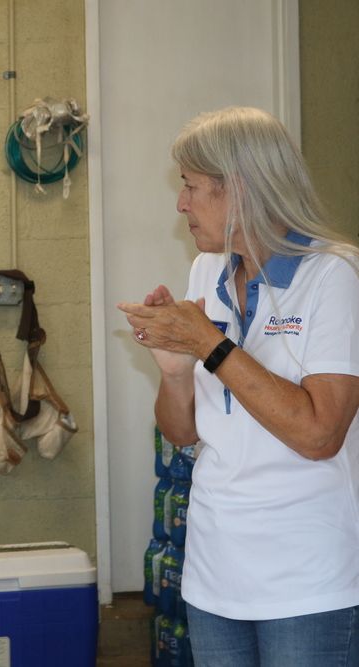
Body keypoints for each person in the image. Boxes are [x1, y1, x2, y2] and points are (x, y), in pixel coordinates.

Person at [118, 107, 359, 667]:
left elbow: (320, 434)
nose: (180, 204)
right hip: (214, 576)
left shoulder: (336, 275)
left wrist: (210, 344)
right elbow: (182, 433)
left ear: (241, 191)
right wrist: (174, 373)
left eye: (191, 187)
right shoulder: (208, 273)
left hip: (307, 583)